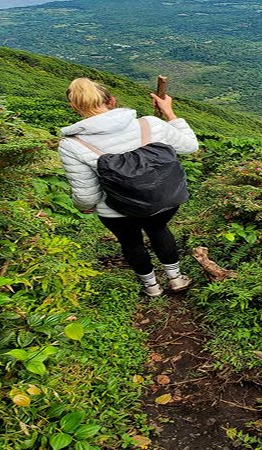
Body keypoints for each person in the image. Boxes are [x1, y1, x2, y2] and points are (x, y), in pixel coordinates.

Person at [58, 78, 199, 297]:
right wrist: (170, 113)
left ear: (74, 107)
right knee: (158, 230)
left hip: (116, 210)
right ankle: (176, 279)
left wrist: (84, 207)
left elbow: (86, 193)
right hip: (160, 199)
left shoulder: (72, 145)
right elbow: (190, 147)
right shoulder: (149, 123)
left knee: (130, 242)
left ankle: (151, 287)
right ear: (112, 101)